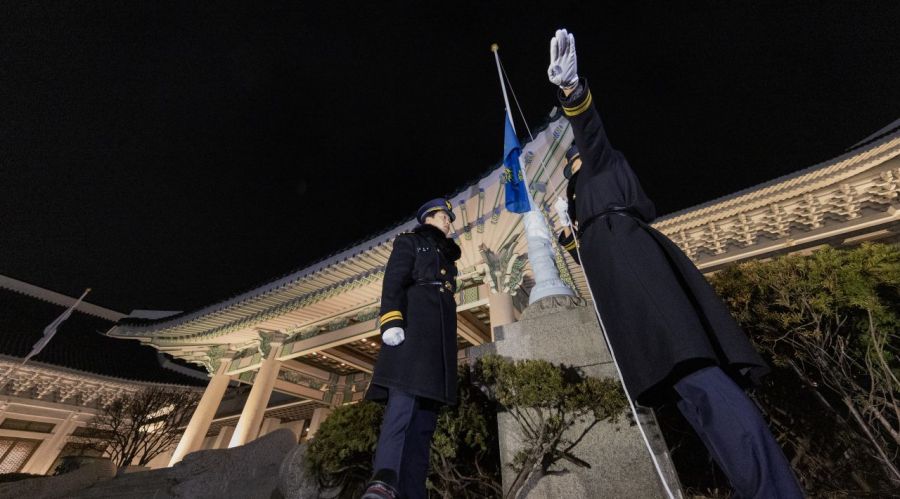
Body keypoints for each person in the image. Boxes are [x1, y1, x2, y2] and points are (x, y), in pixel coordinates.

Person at [547, 29, 804, 499]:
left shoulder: (601, 166)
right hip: (619, 286)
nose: (571, 168)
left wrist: (573, 92)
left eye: (571, 164)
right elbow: (586, 257)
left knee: (699, 380)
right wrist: (570, 238)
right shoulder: (588, 207)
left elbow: (592, 135)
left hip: (635, 267)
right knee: (695, 403)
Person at [362, 198, 461, 499]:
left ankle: (411, 490)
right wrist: (391, 319)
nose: (449, 222)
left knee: (423, 424)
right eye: (444, 217)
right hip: (413, 334)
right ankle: (384, 481)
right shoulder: (411, 242)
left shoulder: (446, 257)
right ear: (428, 218)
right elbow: (394, 279)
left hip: (437, 345)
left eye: (449, 218)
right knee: (401, 409)